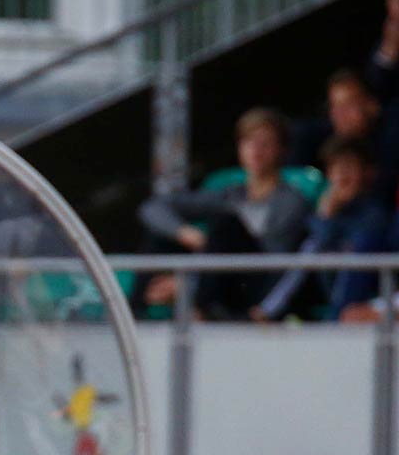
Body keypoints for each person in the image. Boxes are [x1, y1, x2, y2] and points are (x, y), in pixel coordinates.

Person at [137, 108, 311, 320]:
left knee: (226, 224)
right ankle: (134, 315)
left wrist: (189, 283)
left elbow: (273, 263)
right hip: (217, 277)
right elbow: (153, 207)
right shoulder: (232, 194)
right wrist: (185, 233)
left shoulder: (291, 201)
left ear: (282, 150)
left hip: (253, 284)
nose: (256, 150)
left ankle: (201, 309)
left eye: (265, 143)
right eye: (248, 142)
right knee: (159, 237)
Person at [257, 136, 394, 323]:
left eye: (349, 166)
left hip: (367, 303)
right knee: (307, 247)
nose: (342, 174)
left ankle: (330, 319)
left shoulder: (376, 214)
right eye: (336, 167)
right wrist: (325, 217)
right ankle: (266, 311)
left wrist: (326, 220)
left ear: (368, 173)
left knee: (359, 245)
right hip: (328, 298)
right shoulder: (325, 213)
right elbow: (310, 256)